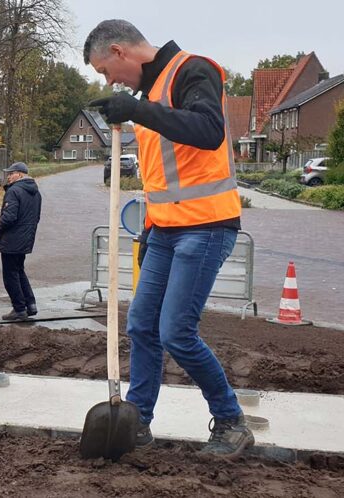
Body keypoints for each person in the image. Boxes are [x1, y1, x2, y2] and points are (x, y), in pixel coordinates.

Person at [83, 19, 252, 458]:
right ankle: (136, 420)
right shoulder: (149, 95)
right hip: (164, 229)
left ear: (120, 52)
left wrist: (137, 110)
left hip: (207, 226)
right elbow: (166, 174)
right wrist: (150, 223)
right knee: (142, 324)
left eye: (105, 70)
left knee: (176, 331)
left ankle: (232, 420)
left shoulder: (192, 71)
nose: (109, 80)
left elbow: (207, 130)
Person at [0, 162, 42, 321]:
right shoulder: (36, 192)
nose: (8, 176)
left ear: (20, 175)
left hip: (11, 240)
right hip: (26, 238)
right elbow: (37, 217)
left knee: (10, 275)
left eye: (10, 173)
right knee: (19, 271)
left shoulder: (14, 191)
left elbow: (9, 217)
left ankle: (19, 308)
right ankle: (30, 304)